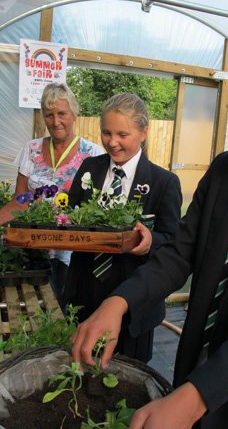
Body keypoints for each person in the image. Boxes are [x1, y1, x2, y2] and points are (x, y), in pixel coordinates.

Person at [70, 31, 228, 429]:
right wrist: (119, 302)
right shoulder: (227, 170)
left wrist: (195, 397)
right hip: (193, 367)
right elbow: (179, 252)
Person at [64, 92, 182, 362]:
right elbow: (70, 216)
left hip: (135, 303)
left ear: (143, 132)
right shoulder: (89, 169)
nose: (112, 142)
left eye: (122, 134)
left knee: (129, 378)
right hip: (85, 292)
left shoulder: (164, 182)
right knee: (81, 367)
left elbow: (174, 241)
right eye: (106, 133)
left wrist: (151, 241)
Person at [0, 82, 104, 305]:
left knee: (69, 310)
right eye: (49, 115)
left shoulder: (93, 155)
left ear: (74, 114)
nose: (55, 122)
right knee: (34, 307)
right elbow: (21, 200)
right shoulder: (31, 149)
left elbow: (97, 208)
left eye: (62, 113)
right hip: (35, 249)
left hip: (73, 252)